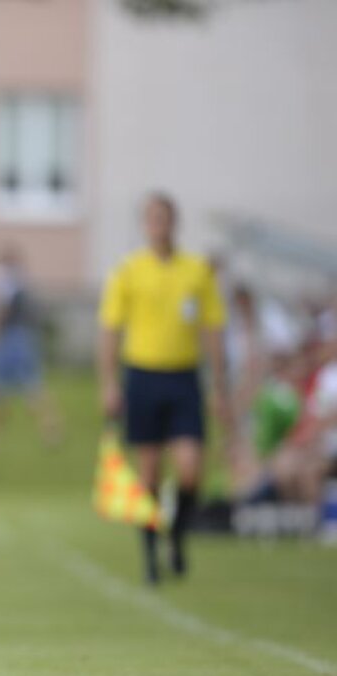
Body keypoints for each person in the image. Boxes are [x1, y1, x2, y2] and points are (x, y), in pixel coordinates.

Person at [97, 192, 231, 584]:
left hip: (184, 378)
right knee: (150, 472)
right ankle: (151, 554)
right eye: (153, 219)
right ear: (145, 225)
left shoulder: (196, 271)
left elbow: (213, 330)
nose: (160, 226)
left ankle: (178, 533)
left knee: (190, 470)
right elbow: (110, 330)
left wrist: (219, 385)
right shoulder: (129, 271)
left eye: (165, 219)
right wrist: (109, 382)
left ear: (175, 223)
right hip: (143, 377)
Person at [0, 246, 61, 444]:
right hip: (25, 336)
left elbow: (0, 310)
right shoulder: (21, 279)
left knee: (0, 390)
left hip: (10, 338)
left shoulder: (2, 280)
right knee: (32, 386)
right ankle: (50, 429)